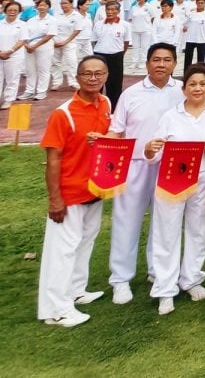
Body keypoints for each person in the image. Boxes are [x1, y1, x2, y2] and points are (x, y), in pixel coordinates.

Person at [105, 43, 182, 305]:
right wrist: (106, 147)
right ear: (147, 63)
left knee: (165, 222)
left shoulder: (182, 90)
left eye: (167, 60)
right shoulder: (131, 93)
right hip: (135, 163)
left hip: (170, 166)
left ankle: (157, 271)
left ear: (174, 63)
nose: (161, 64)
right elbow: (117, 129)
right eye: (156, 59)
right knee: (127, 220)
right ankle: (120, 279)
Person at [143, 64, 205, 314]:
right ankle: (165, 288)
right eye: (192, 84)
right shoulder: (171, 116)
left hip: (203, 179)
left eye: (202, 84)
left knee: (198, 230)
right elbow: (154, 153)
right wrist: (150, 150)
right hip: (172, 180)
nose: (197, 88)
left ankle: (191, 279)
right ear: (184, 88)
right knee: (166, 232)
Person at [37, 56, 112, 327]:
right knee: (62, 251)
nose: (93, 78)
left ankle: (76, 291)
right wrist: (55, 199)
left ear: (106, 75)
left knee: (84, 244)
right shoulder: (63, 113)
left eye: (98, 73)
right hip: (69, 194)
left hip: (94, 190)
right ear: (77, 77)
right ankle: (56, 309)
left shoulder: (105, 104)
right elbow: (53, 158)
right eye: (87, 74)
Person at [92, 1, 131, 105]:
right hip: (99, 55)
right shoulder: (98, 24)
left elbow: (126, 42)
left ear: (118, 11)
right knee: (97, 81)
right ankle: (96, 104)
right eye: (108, 10)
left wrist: (120, 53)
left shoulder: (125, 25)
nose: (110, 12)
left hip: (116, 56)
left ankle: (114, 107)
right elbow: (94, 40)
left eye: (113, 9)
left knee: (115, 84)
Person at [19, 0, 57, 101]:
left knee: (43, 69)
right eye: (40, 5)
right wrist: (27, 46)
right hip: (29, 48)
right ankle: (29, 91)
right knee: (30, 70)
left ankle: (41, 91)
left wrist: (35, 46)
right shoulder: (31, 20)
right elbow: (25, 34)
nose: (42, 7)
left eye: (44, 5)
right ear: (36, 7)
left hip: (44, 47)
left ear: (48, 7)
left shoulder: (52, 20)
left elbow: (49, 35)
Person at [0, 1, 29, 109]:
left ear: (19, 12)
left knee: (12, 78)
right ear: (5, 10)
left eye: (15, 10)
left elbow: (22, 40)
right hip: (0, 55)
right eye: (10, 10)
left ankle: (8, 100)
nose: (12, 12)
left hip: (14, 56)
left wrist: (10, 51)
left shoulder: (22, 25)